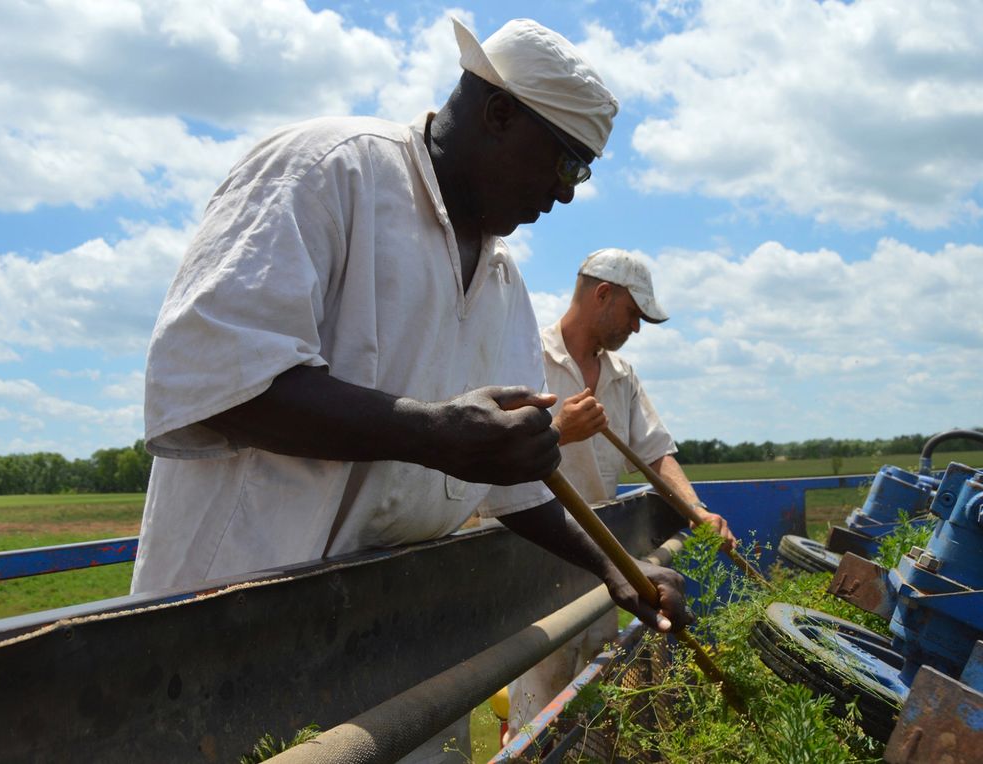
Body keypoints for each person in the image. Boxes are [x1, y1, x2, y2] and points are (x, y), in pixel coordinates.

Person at [130, 17, 691, 763]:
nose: (564, 197)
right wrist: (432, 432)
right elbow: (217, 378)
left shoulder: (501, 282)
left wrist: (614, 567)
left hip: (387, 648)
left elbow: (522, 484)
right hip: (226, 648)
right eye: (564, 165)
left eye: (579, 175)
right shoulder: (331, 171)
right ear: (498, 113)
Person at [503, 248, 735, 743]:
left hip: (604, 565)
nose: (636, 328)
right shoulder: (525, 356)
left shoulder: (622, 377)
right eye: (633, 314)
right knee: (540, 719)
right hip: (540, 559)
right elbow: (498, 451)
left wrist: (696, 511)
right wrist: (558, 431)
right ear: (602, 295)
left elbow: (656, 454)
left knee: (605, 716)